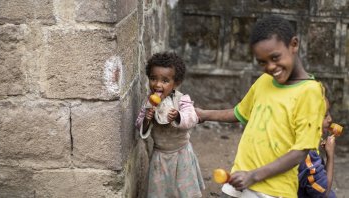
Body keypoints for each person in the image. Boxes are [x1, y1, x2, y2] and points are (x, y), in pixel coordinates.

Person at [196, 15, 326, 197]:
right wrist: (204, 114)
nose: (271, 67)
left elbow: (300, 151)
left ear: (294, 44)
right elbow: (240, 113)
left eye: (275, 57)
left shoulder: (311, 92)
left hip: (273, 191)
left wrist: (254, 176)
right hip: (239, 178)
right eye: (262, 62)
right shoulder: (265, 80)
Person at [135, 52, 205, 198]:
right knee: (160, 192)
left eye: (165, 81)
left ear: (176, 83)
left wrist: (179, 116)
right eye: (153, 78)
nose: (158, 85)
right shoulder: (148, 103)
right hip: (160, 156)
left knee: (184, 192)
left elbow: (192, 117)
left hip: (182, 155)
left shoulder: (182, 99)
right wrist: (147, 119)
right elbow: (139, 124)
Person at [298, 97, 336, 198]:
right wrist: (330, 156)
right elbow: (323, 192)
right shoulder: (306, 154)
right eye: (325, 115)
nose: (330, 119)